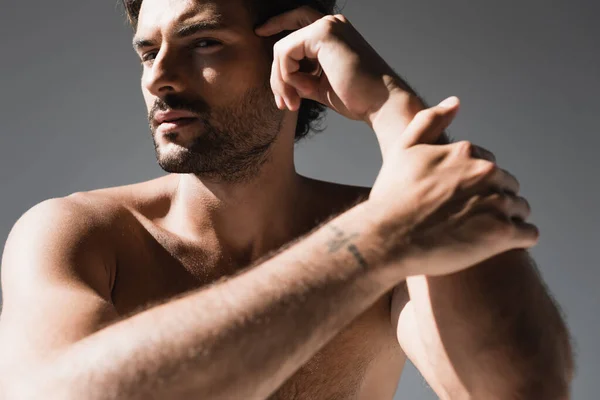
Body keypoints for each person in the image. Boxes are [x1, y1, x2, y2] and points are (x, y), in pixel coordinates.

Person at [0, 0, 573, 399]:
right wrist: (378, 243)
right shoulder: (78, 234)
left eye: (203, 42)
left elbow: (519, 390)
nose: (158, 77)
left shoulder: (404, 226)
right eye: (149, 52)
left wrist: (388, 104)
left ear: (290, 59)